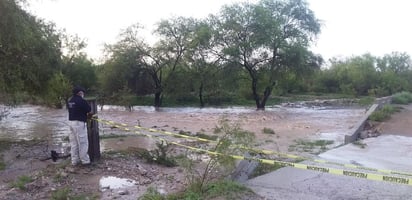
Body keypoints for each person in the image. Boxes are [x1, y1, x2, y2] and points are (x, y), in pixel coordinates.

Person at [68, 86, 91, 165]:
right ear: (80, 93)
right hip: (79, 123)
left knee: (74, 143)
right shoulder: (81, 100)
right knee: (83, 142)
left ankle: (74, 161)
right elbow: (88, 109)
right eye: (82, 92)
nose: (83, 94)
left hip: (71, 123)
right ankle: (85, 161)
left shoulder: (70, 100)